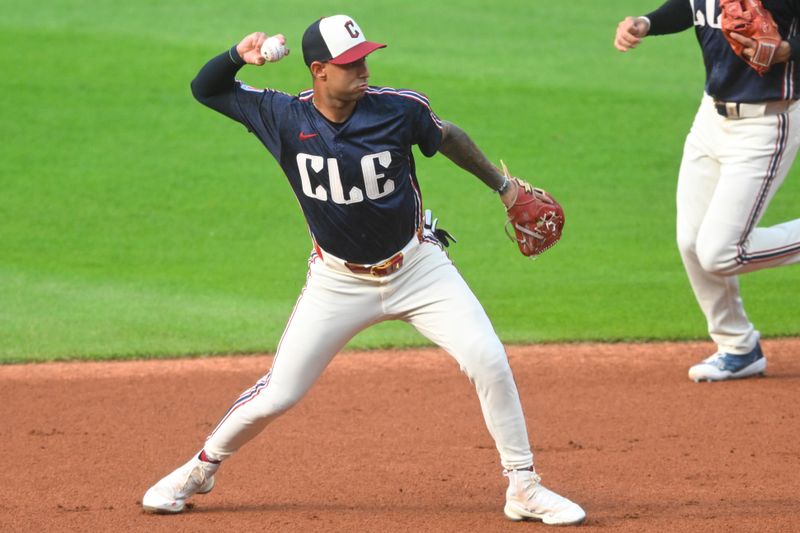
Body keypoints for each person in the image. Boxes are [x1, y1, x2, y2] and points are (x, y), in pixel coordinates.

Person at [141, 14, 585, 525]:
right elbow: (206, 88)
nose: (364, 69)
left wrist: (505, 189)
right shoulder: (281, 116)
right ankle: (200, 468)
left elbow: (447, 136)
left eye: (365, 58)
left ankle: (524, 486)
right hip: (337, 281)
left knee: (488, 359)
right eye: (350, 63)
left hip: (418, 268)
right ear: (319, 71)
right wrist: (239, 56)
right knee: (279, 392)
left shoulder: (399, 110)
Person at [614, 1, 800, 382]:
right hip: (710, 119)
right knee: (691, 242)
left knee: (720, 253)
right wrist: (646, 23)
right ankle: (738, 345)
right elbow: (691, 6)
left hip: (765, 124)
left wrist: (789, 50)